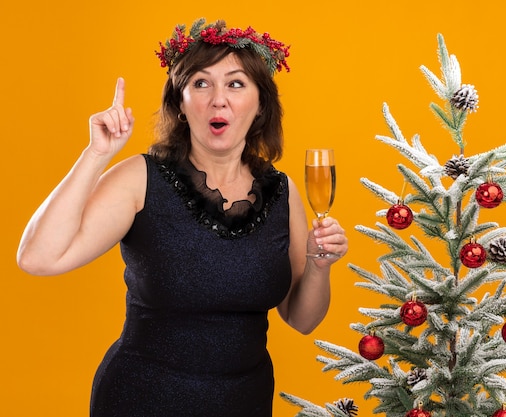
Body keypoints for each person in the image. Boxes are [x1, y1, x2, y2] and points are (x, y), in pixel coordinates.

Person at [17, 18, 348, 416]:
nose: (218, 99)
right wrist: (96, 155)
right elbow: (37, 257)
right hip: (142, 400)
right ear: (180, 103)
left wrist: (320, 265)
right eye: (201, 83)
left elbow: (302, 319)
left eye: (236, 83)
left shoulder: (283, 191)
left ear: (261, 105)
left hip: (246, 401)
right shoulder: (141, 179)